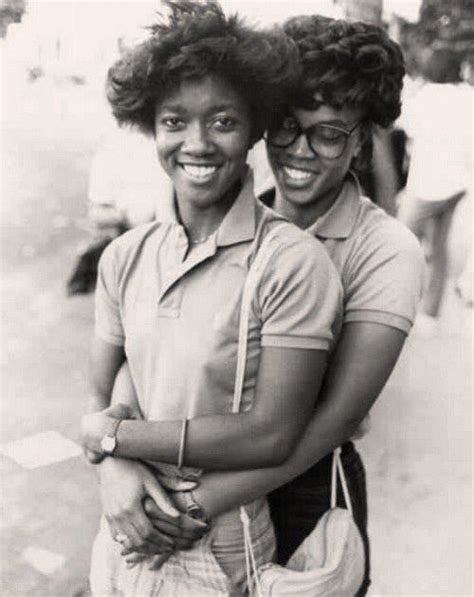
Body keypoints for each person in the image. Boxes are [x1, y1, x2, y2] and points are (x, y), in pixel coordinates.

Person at [90, 15, 424, 596]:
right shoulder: (218, 211)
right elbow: (145, 351)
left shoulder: (385, 250)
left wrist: (193, 504)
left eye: (328, 134)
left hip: (302, 482)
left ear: (363, 138)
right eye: (287, 128)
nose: (300, 151)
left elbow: (331, 420)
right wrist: (119, 463)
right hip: (187, 462)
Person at [397, 48, 472, 332]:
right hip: (456, 186)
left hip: (426, 185)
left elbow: (404, 128)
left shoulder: (426, 98)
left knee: (399, 241)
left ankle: (396, 304)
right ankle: (430, 313)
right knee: (439, 246)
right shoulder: (468, 96)